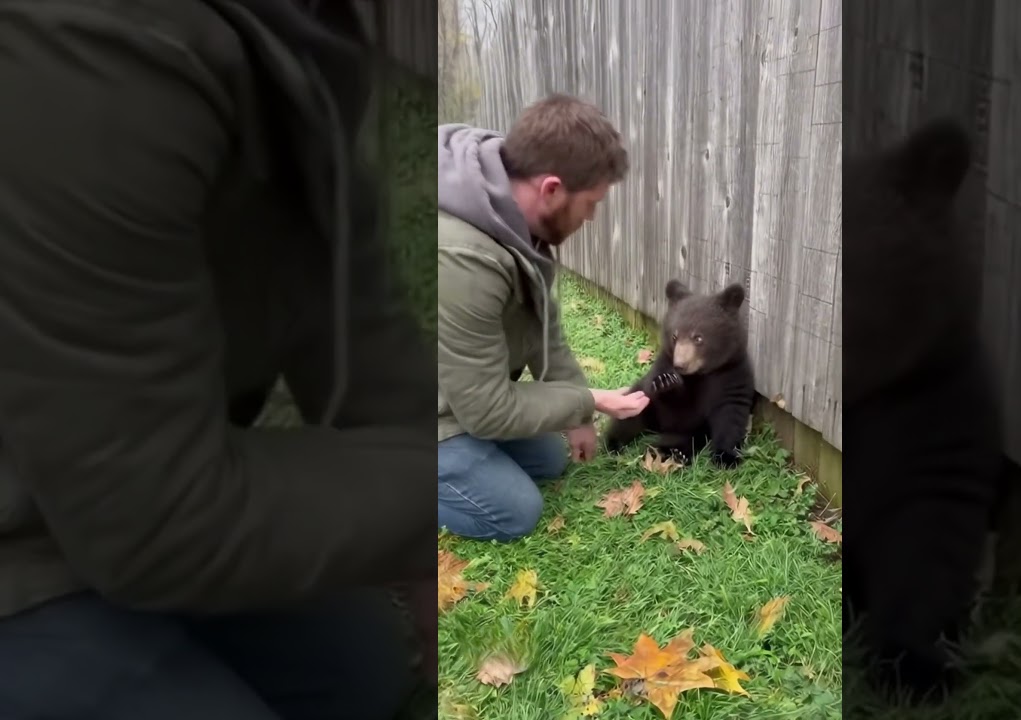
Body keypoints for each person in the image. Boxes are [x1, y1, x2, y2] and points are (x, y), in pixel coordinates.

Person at [0, 2, 439, 718]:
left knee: (356, 670)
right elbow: (154, 521)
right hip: (45, 529)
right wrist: (431, 498)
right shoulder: (87, 50)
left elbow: (335, 263)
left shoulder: (292, 24)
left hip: (93, 475)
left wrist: (422, 532)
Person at [437, 95, 649, 542]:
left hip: (455, 384)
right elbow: (486, 411)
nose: (591, 217)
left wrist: (577, 416)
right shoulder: (463, 256)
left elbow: (543, 326)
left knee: (550, 458)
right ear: (551, 189)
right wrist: (590, 400)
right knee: (515, 512)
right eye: (591, 203)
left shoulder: (510, 217)